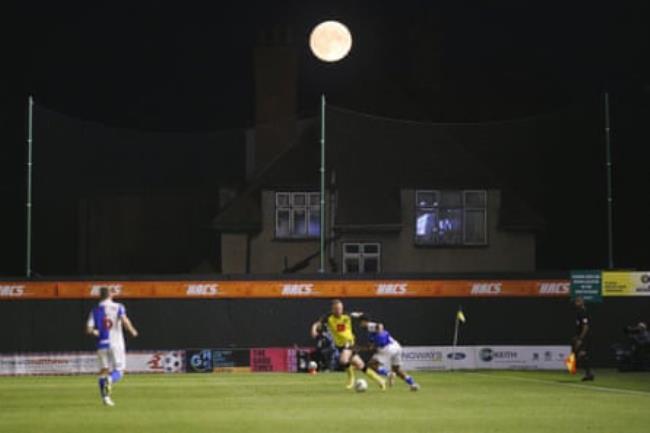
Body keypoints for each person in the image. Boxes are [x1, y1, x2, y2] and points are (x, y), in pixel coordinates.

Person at [310, 299, 386, 390]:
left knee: (343, 360)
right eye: (337, 308)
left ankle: (351, 379)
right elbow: (317, 324)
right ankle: (380, 380)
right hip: (340, 346)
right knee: (361, 366)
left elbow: (365, 316)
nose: (339, 310)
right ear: (333, 309)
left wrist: (362, 316)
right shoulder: (328, 317)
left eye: (340, 308)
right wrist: (314, 329)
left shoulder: (348, 315)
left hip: (349, 343)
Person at [86, 286, 139, 406]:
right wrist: (132, 331)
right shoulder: (118, 307)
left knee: (103, 372)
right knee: (119, 371)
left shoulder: (95, 310)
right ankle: (110, 380)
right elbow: (125, 321)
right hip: (116, 343)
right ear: (110, 295)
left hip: (101, 344)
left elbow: (89, 330)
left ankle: (105, 398)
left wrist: (98, 332)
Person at [359, 316, 419, 391]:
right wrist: (361, 348)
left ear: (364, 322)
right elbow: (371, 347)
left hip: (387, 347)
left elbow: (380, 326)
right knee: (397, 370)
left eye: (360, 323)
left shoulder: (369, 326)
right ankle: (413, 384)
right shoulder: (369, 332)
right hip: (396, 346)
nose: (360, 325)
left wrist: (379, 336)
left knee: (371, 365)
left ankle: (389, 374)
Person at [572, 297, 594, 381]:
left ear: (582, 302)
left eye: (578, 301)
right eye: (576, 301)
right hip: (581, 337)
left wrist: (580, 338)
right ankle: (589, 373)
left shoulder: (583, 312)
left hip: (585, 337)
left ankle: (589, 373)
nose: (576, 303)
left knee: (582, 354)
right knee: (582, 355)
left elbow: (585, 326)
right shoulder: (579, 312)